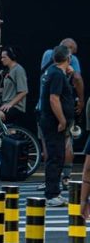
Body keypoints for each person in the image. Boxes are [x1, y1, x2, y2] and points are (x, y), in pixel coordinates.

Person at [39, 45, 76, 207]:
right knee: (55, 157)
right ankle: (52, 194)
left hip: (51, 121)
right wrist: (62, 120)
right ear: (68, 59)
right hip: (54, 122)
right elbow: (54, 99)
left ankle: (55, 192)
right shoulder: (56, 75)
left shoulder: (53, 72)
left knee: (58, 156)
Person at [0, 47, 28, 124]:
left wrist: (10, 104)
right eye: (1, 57)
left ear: (11, 57)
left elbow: (24, 91)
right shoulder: (9, 70)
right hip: (5, 104)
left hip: (15, 106)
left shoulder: (18, 70)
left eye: (4, 57)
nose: (2, 59)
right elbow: (5, 89)